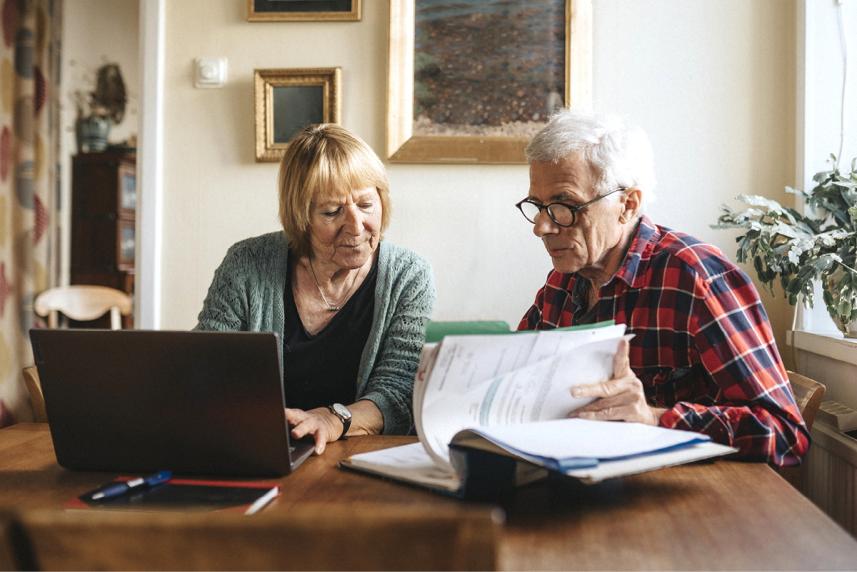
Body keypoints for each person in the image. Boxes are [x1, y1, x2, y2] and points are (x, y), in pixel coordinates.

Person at [516, 109, 808, 466]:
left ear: (627, 204)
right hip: (586, 479)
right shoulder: (563, 281)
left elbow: (784, 432)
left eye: (564, 206)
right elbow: (519, 379)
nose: (542, 227)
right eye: (538, 206)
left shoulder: (696, 278)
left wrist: (654, 418)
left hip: (690, 500)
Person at [196, 124, 435, 455]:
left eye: (366, 204)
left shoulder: (408, 275)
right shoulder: (247, 264)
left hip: (365, 455)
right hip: (263, 450)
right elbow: (205, 368)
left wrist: (333, 420)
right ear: (300, 217)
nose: (355, 226)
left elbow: (397, 391)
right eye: (332, 211)